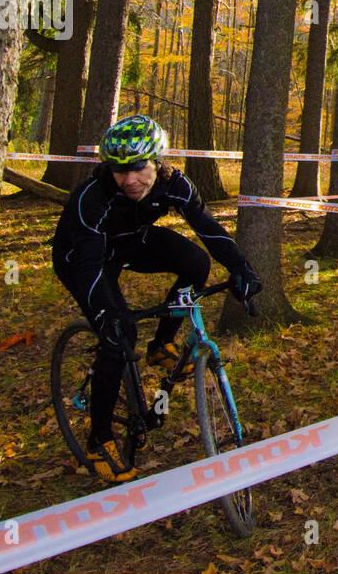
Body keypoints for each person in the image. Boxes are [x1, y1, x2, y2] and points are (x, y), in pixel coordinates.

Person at [51, 114, 262, 482]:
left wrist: (241, 268)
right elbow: (89, 264)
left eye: (138, 168)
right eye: (119, 171)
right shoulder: (92, 196)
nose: (129, 180)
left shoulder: (175, 184)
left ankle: (161, 344)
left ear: (157, 162)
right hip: (81, 258)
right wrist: (108, 316)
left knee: (196, 261)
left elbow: (208, 230)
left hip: (129, 241)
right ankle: (99, 439)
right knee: (117, 339)